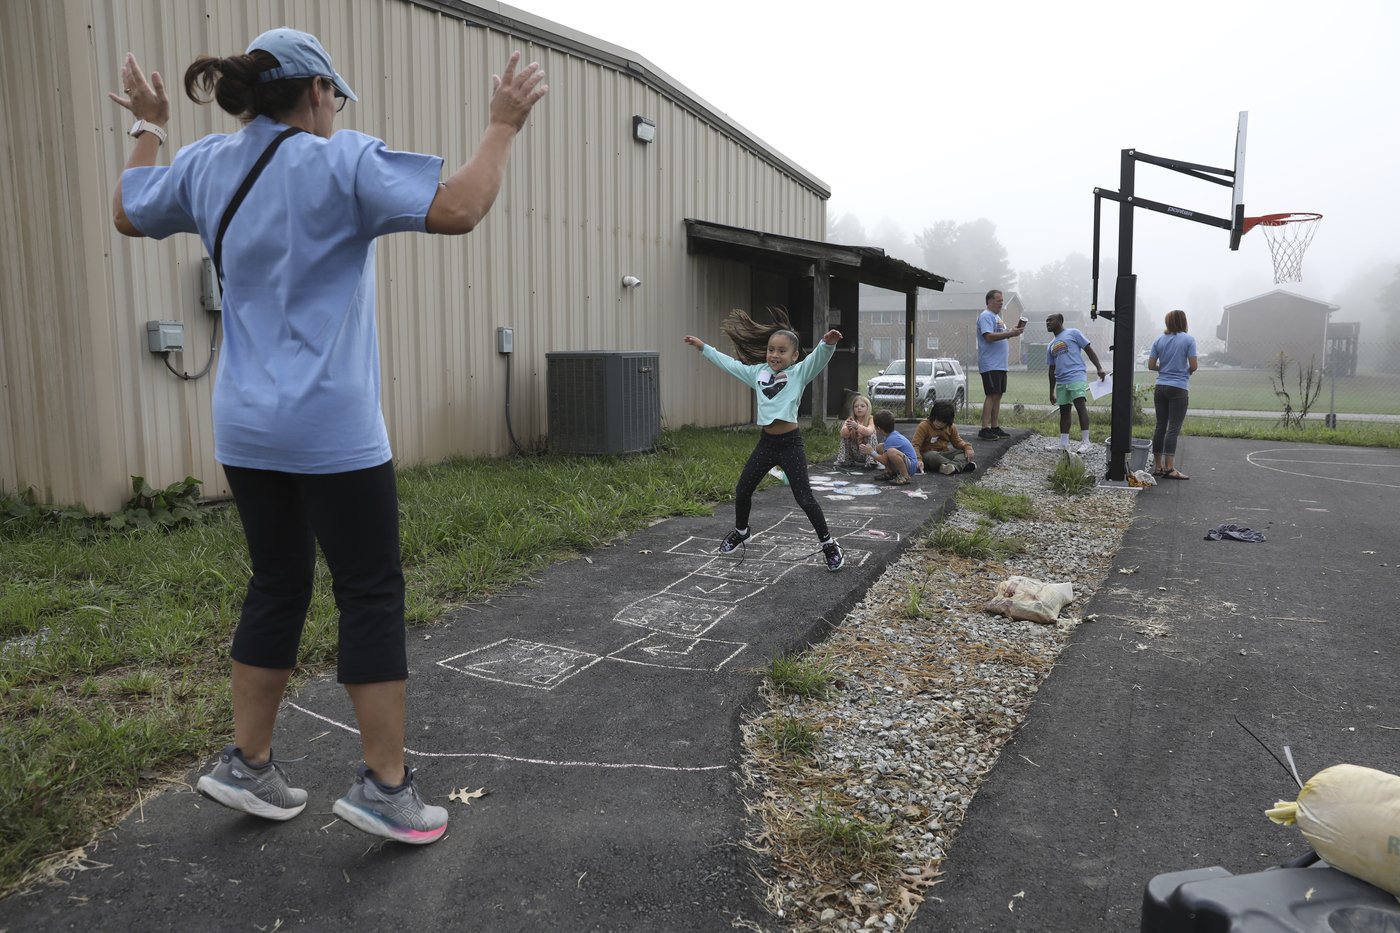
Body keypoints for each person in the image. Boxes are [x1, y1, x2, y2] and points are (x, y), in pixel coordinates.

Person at [109, 28, 547, 844]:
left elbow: (129, 210)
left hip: (244, 427)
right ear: (315, 93)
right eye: (335, 98)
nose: (338, 111)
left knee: (276, 582)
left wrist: (150, 125)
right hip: (335, 429)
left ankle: (248, 763)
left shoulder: (206, 165)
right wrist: (503, 124)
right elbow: (459, 205)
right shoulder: (340, 161)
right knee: (369, 589)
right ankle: (385, 786)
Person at [683, 310, 845, 572]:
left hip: (791, 443)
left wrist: (828, 343)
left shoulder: (799, 373)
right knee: (743, 489)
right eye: (771, 350)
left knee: (803, 498)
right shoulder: (757, 373)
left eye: (782, 351)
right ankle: (742, 531)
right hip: (766, 444)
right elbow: (729, 364)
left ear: (794, 356)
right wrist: (704, 348)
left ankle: (829, 545)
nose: (774, 355)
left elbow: (817, 358)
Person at [1045, 313, 1106, 454]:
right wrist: (1051, 391)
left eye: (1050, 320)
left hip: (1076, 376)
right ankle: (1064, 444)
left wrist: (1099, 368)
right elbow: (1051, 369)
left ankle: (1086, 442)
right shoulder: (1050, 345)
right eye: (1046, 321)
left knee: (1080, 405)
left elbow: (1089, 350)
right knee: (1064, 411)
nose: (1047, 323)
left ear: (1060, 321)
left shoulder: (1073, 333)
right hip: (1061, 381)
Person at [1148, 309, 1198, 480]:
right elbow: (1194, 365)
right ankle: (1170, 469)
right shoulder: (1189, 340)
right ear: (1184, 322)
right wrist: (1187, 371)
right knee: (1173, 429)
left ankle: (1158, 467)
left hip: (1160, 386)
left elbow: (1151, 365)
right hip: (1178, 388)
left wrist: (1164, 368)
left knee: (1160, 425)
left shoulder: (1159, 340)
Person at [976, 289, 1025, 440]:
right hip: (990, 363)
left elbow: (1000, 336)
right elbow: (989, 336)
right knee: (991, 394)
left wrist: (1011, 331)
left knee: (998, 394)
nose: (1001, 303)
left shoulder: (997, 317)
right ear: (989, 301)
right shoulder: (985, 316)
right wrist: (1010, 333)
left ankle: (994, 427)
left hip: (1000, 364)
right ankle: (984, 428)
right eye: (999, 301)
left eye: (1002, 301)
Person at [911, 400, 976, 475]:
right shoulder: (924, 426)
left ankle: (949, 467)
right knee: (932, 456)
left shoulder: (950, 427)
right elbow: (915, 445)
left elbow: (957, 442)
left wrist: (967, 447)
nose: (940, 424)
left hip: (944, 453)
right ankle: (959, 466)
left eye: (943, 422)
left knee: (963, 453)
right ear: (933, 416)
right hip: (928, 455)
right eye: (938, 420)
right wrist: (918, 459)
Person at [862, 409, 921, 486]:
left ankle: (905, 476)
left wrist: (871, 452)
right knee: (880, 446)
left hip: (911, 467)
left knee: (891, 451)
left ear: (878, 429)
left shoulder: (892, 439)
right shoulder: (889, 435)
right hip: (907, 463)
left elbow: (884, 460)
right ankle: (890, 472)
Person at [835, 394, 877, 468]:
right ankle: (845, 460)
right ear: (853, 409)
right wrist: (848, 429)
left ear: (868, 408)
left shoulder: (871, 419)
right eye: (856, 406)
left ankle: (871, 461)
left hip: (867, 453)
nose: (859, 408)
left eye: (862, 406)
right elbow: (842, 434)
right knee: (845, 437)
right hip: (854, 452)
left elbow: (869, 431)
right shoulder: (850, 419)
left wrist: (857, 426)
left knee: (872, 435)